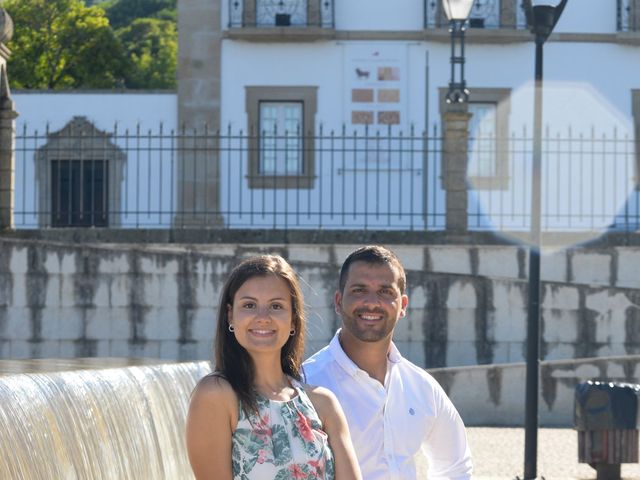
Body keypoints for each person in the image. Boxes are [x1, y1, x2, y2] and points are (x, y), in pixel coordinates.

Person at [303, 245, 473, 479]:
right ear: (338, 301)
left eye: (385, 292)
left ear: (403, 305)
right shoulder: (305, 384)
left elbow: (455, 468)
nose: (371, 302)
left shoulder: (422, 387)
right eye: (359, 290)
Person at [186, 254, 362, 480]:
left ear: (293, 320)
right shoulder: (216, 394)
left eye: (276, 306)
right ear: (230, 316)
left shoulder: (323, 403)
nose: (263, 317)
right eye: (249, 305)